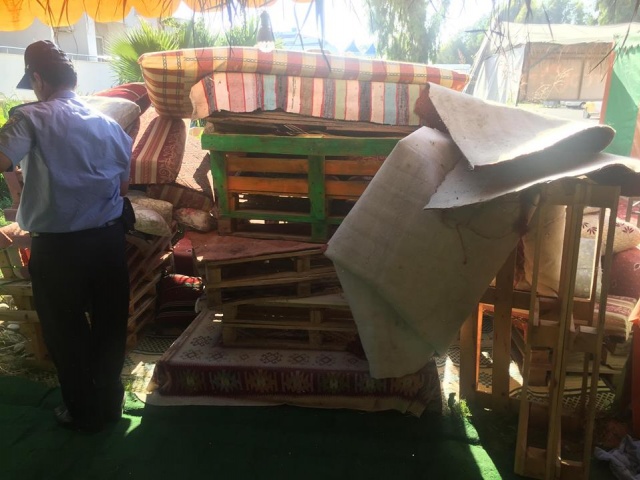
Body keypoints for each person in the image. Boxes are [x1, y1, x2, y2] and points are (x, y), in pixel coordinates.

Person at [0, 40, 133, 432]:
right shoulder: (110, 125)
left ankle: (82, 411)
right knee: (110, 324)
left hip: (58, 248)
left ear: (38, 79)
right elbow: (122, 186)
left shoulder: (30, 117)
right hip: (108, 242)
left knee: (65, 330)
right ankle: (109, 404)